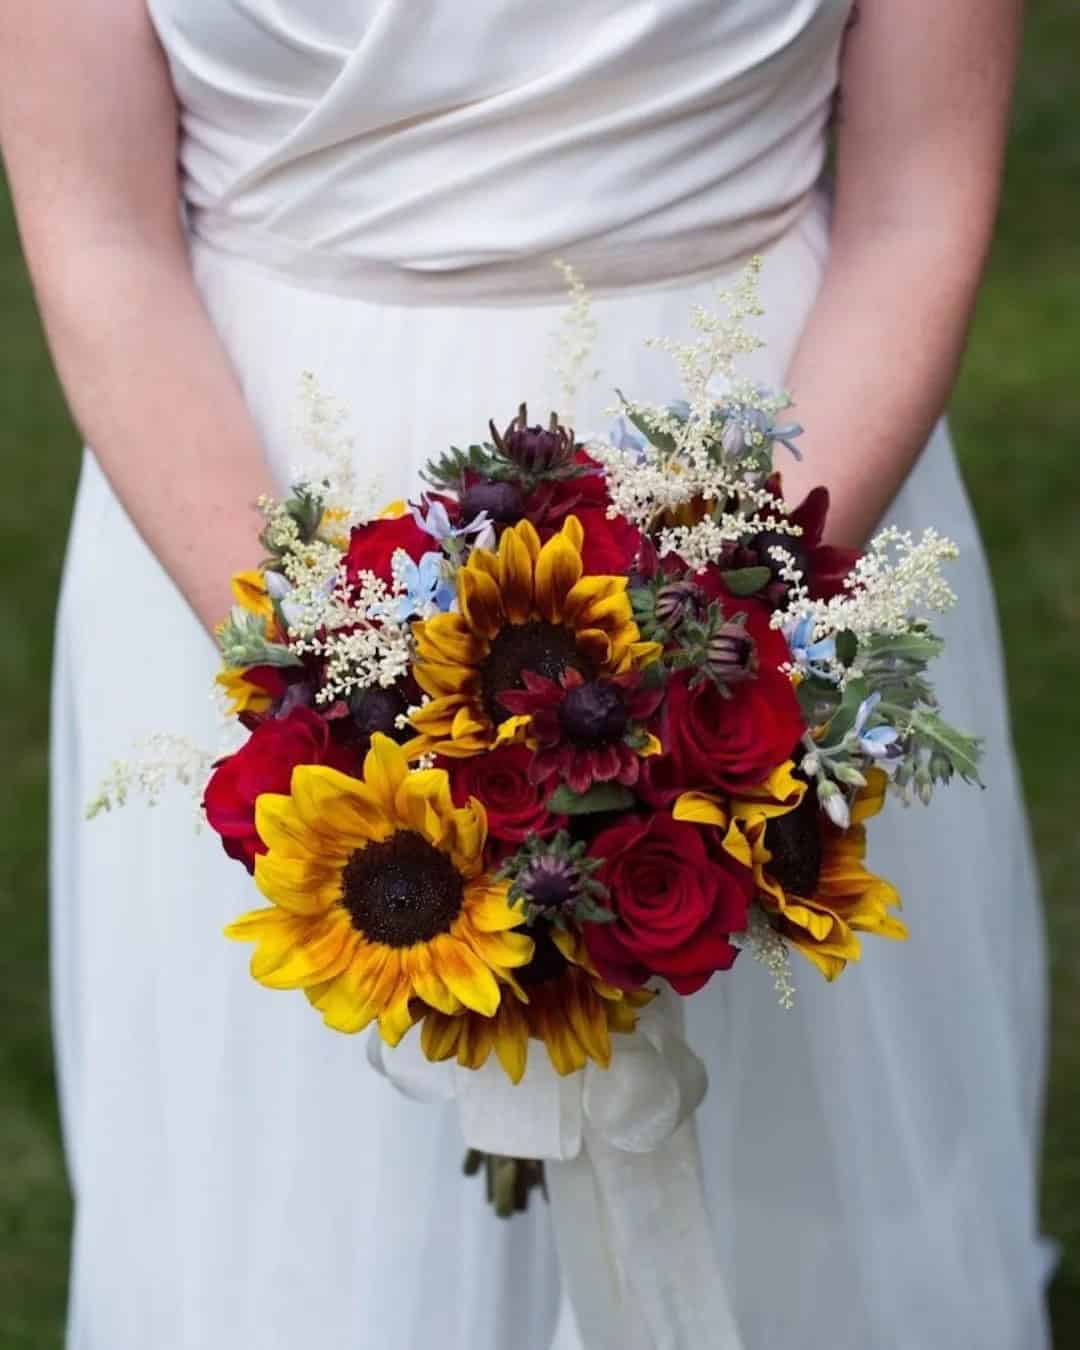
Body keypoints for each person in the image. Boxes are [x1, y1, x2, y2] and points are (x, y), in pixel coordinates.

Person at [0, 2, 1051, 1346]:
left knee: (790, 1194)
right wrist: (324, 683)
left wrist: (714, 653)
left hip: (780, 470)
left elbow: (918, 200)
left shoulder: (751, 581)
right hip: (244, 503)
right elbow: (102, 236)